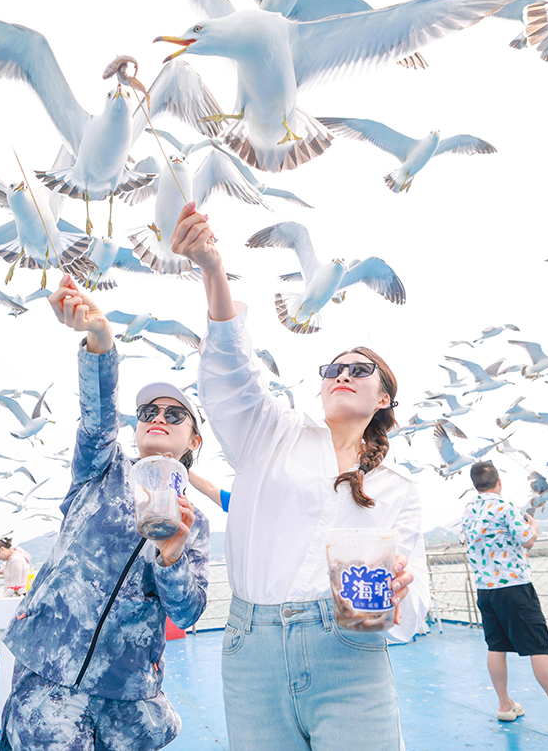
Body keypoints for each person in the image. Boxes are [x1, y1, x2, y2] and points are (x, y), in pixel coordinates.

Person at [171, 203, 427, 751]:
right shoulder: (272, 433)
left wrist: (399, 594)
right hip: (253, 653)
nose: (342, 375)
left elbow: (411, 610)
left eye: (359, 370)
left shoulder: (397, 488)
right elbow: (232, 376)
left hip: (351, 656)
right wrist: (213, 271)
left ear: (384, 398)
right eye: (332, 369)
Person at [0, 273, 211, 751]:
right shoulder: (103, 469)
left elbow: (188, 612)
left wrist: (172, 558)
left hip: (126, 696)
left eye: (174, 414)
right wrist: (100, 338)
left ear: (193, 440)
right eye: (148, 412)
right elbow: (97, 418)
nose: (158, 418)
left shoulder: (195, 524)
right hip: (49, 672)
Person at [460, 462, 548, 733]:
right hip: (514, 587)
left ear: (475, 485)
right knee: (538, 647)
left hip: (485, 589)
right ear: (499, 482)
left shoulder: (468, 510)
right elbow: (527, 541)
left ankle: (505, 705)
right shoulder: (505, 506)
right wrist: (533, 525)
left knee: (496, 646)